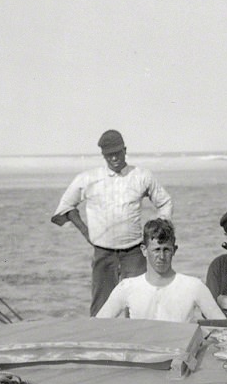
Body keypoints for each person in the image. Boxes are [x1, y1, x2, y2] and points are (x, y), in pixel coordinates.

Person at [51, 129, 173, 315]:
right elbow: (66, 207)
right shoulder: (88, 178)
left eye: (117, 153)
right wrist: (86, 232)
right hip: (103, 253)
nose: (114, 158)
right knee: (102, 305)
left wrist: (159, 232)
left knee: (139, 303)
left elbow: (164, 202)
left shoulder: (142, 176)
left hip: (134, 252)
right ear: (103, 155)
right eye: (109, 155)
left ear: (125, 150)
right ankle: (100, 340)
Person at [94, 218, 225, 323]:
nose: (162, 257)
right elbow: (97, 326)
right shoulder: (127, 287)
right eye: (156, 250)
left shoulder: (194, 286)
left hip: (180, 354)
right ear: (144, 250)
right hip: (142, 354)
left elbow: (224, 328)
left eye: (166, 249)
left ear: (174, 250)